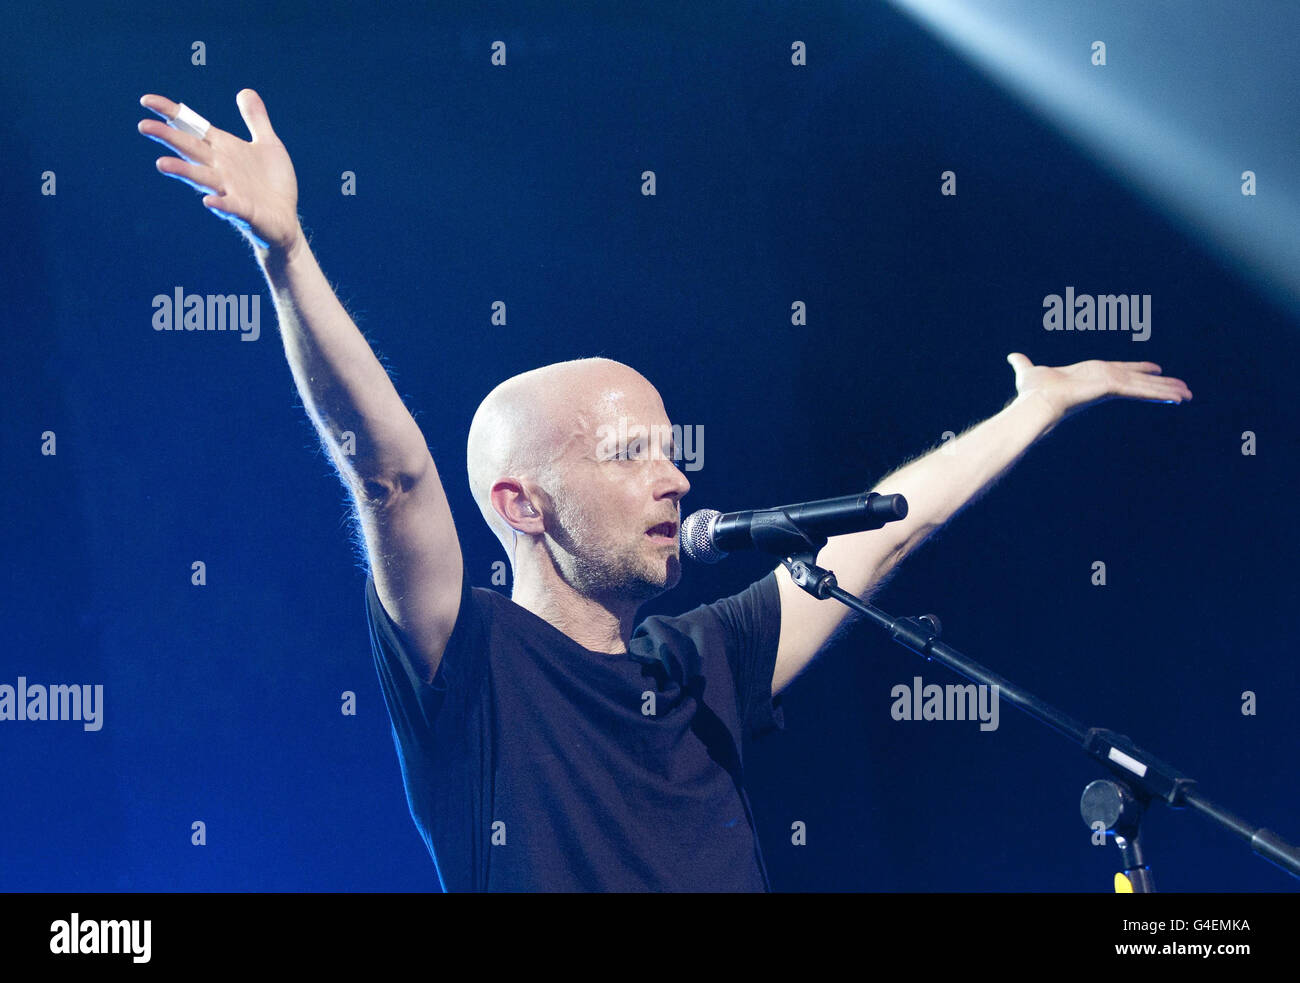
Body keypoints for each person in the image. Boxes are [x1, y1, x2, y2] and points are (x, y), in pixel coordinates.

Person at [137, 88, 1194, 891]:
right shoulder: (470, 664)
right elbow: (392, 472)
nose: (675, 472)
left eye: (667, 446)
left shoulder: (703, 657)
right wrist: (287, 253)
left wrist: (1035, 407)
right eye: (627, 451)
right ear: (521, 505)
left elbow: (882, 535)